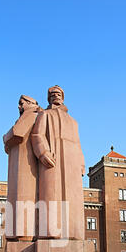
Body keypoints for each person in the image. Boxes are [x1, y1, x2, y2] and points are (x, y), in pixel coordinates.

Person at [31, 85, 86, 240]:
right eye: (53, 94)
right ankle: (51, 232)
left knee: (73, 199)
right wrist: (43, 152)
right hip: (52, 160)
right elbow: (37, 135)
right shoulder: (45, 115)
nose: (56, 96)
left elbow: (78, 143)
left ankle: (74, 233)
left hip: (72, 162)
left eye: (59, 93)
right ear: (49, 98)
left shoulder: (73, 122)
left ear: (63, 96)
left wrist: (81, 163)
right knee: (51, 195)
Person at [3, 95, 41, 240]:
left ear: (30, 103)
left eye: (21, 103)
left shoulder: (31, 114)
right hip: (18, 163)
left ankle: (24, 232)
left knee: (23, 197)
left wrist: (5, 137)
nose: (19, 106)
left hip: (25, 164)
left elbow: (16, 133)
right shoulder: (25, 116)